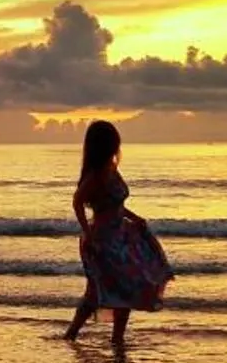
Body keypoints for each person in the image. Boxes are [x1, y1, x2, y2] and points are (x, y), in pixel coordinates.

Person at [65, 119, 171, 346]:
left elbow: (117, 205)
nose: (117, 145)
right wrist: (88, 232)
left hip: (121, 236)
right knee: (97, 291)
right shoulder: (95, 175)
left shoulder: (112, 169)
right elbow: (77, 202)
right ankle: (72, 333)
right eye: (114, 141)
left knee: (127, 287)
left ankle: (117, 338)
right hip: (103, 241)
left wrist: (134, 218)